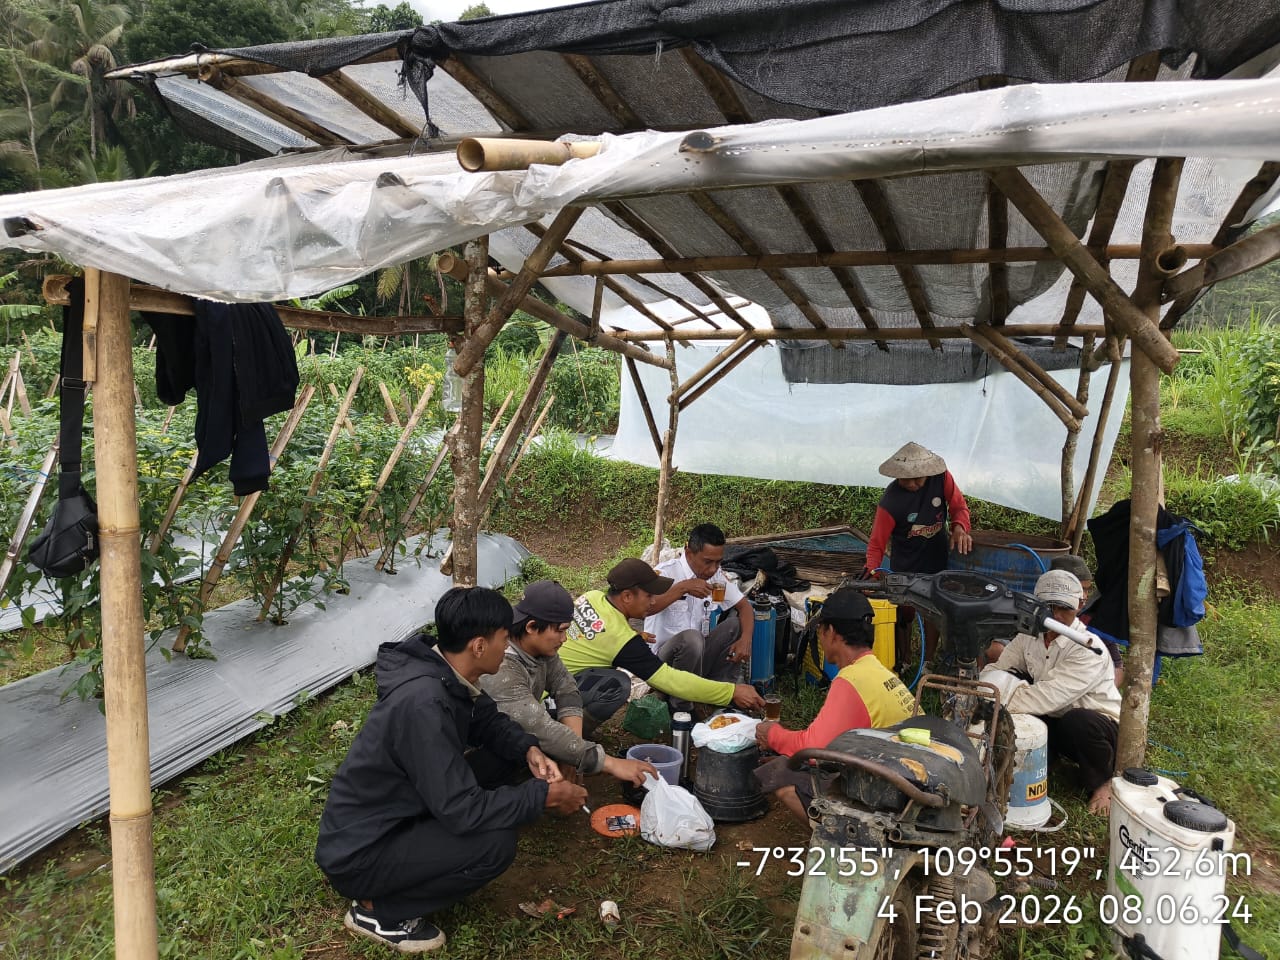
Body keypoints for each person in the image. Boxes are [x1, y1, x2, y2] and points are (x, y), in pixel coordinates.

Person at [315, 586, 588, 953]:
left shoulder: (445, 673)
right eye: (504, 640)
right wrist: (541, 795)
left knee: (503, 761)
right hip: (361, 852)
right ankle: (379, 912)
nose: (507, 649)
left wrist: (528, 748)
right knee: (495, 843)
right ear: (478, 645)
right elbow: (463, 811)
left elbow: (486, 719)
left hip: (399, 814)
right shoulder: (423, 704)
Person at [753, 587, 917, 823]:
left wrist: (773, 736)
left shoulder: (851, 680)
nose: (820, 638)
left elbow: (815, 749)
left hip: (889, 796)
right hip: (906, 781)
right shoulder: (878, 671)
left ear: (832, 633)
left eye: (820, 630)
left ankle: (844, 842)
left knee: (784, 780)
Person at [480, 580, 658, 786]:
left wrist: (571, 755)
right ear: (531, 627)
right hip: (483, 743)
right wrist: (610, 763)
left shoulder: (540, 647)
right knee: (509, 762)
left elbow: (566, 688)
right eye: (560, 630)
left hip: (529, 718)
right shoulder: (503, 665)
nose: (564, 638)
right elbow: (540, 727)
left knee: (614, 685)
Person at [981, 569, 1121, 815]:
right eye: (1049, 607)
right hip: (1055, 714)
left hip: (1098, 725)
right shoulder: (1029, 636)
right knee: (1013, 678)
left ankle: (1103, 782)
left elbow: (1046, 698)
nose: (1056, 615)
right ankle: (1045, 759)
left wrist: (993, 699)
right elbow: (998, 668)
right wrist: (984, 689)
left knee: (1078, 721)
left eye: (1063, 608)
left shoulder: (1088, 648)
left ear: (1078, 606)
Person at [558, 558, 766, 717]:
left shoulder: (592, 596)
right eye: (649, 596)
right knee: (617, 684)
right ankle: (571, 737)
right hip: (551, 694)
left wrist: (634, 634)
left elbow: (595, 632)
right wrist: (731, 692)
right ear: (627, 596)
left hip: (546, 674)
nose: (653, 602)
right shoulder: (622, 642)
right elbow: (670, 680)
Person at [863, 442, 973, 667]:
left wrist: (959, 527)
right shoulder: (890, 502)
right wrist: (871, 571)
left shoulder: (941, 479)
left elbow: (959, 507)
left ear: (928, 473)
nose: (912, 484)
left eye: (918, 479)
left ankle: (928, 661)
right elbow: (876, 543)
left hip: (936, 557)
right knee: (904, 611)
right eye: (906, 479)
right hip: (906, 561)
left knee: (933, 609)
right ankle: (904, 661)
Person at [644, 523, 757, 679]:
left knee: (735, 626)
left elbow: (745, 607)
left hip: (697, 657)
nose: (713, 569)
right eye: (708, 562)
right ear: (689, 553)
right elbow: (646, 609)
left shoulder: (715, 576)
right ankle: (681, 702)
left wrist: (746, 640)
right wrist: (682, 588)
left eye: (718, 562)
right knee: (692, 638)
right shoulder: (666, 572)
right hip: (662, 663)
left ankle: (721, 693)